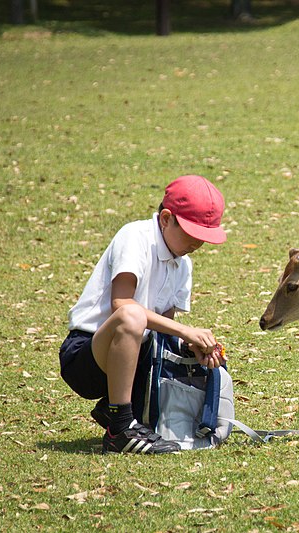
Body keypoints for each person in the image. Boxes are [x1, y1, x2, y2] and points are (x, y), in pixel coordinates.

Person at [59, 175, 228, 454]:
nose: (198, 243)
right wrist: (186, 330)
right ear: (165, 218)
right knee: (132, 315)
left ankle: (115, 410)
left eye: (204, 237)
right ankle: (120, 428)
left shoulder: (183, 264)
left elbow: (164, 328)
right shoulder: (135, 236)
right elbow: (122, 304)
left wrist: (191, 345)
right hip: (86, 356)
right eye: (192, 233)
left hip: (136, 359)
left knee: (153, 332)